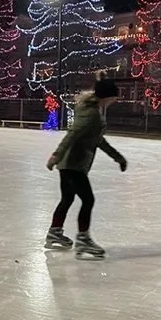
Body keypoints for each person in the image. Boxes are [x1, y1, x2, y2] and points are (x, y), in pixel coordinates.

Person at [45, 71, 127, 260]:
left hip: (69, 164)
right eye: (114, 98)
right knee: (88, 200)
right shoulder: (91, 115)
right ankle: (83, 240)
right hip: (73, 164)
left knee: (67, 199)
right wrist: (56, 155)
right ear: (107, 97)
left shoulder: (92, 110)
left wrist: (118, 158)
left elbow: (98, 141)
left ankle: (54, 232)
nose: (114, 101)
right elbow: (72, 134)